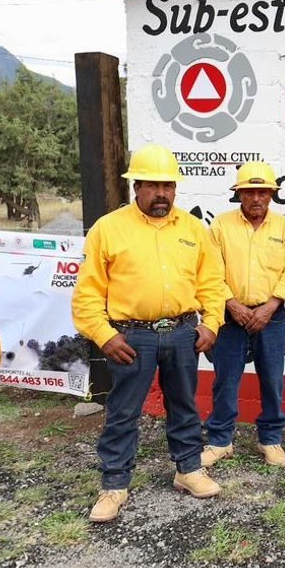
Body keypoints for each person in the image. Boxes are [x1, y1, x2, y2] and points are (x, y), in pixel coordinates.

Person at [72, 143, 229, 523]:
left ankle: (188, 469)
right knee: (123, 411)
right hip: (131, 337)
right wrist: (104, 335)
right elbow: (87, 293)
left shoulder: (193, 229)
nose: (162, 194)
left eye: (168, 186)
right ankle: (114, 485)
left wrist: (211, 323)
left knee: (185, 405)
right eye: (153, 186)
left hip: (183, 333)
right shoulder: (108, 229)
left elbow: (212, 283)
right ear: (136, 187)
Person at [202, 161, 285, 469]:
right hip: (230, 318)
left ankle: (270, 439)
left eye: (263, 192)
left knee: (272, 380)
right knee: (225, 380)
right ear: (239, 194)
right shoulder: (221, 226)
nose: (256, 198)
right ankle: (220, 441)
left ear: (271, 194)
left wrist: (269, 307)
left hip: (271, 317)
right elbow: (211, 271)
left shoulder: (284, 227)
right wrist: (232, 304)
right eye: (249, 192)